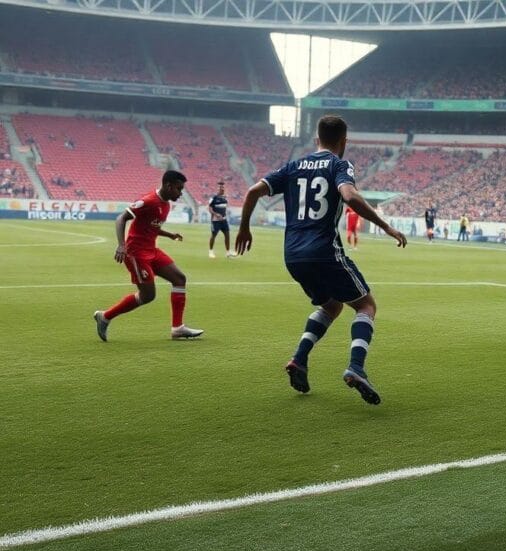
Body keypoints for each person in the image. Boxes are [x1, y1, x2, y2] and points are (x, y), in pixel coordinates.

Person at [234, 115, 408, 404]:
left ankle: (299, 359)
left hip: (293, 254)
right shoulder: (339, 164)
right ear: (344, 142)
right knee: (365, 305)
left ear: (317, 139)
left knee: (331, 305)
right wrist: (386, 225)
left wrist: (243, 228)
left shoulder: (294, 165)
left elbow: (253, 191)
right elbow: (350, 196)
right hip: (323, 250)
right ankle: (356, 367)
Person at [93, 170, 204, 341]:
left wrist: (169, 235)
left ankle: (178, 328)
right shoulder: (148, 201)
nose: (180, 193)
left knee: (179, 279)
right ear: (168, 185)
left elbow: (152, 227)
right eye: (178, 189)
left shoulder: (166, 204)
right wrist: (122, 245)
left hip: (151, 250)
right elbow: (121, 218)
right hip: (136, 253)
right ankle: (105, 316)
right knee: (148, 296)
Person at [208, 181, 236, 258]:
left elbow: (224, 208)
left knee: (227, 235)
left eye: (223, 188)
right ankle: (211, 251)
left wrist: (224, 214)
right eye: (220, 188)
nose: (222, 189)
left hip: (224, 220)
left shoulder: (225, 198)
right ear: (218, 189)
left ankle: (228, 252)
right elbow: (209, 209)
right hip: (215, 221)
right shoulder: (214, 198)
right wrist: (216, 214)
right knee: (213, 235)